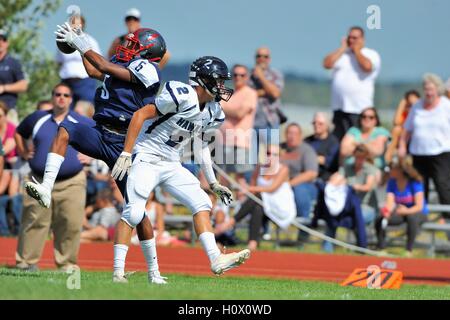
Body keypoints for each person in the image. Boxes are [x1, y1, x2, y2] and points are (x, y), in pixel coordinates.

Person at [24, 24, 168, 283]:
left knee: (136, 209)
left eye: (135, 45)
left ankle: (154, 272)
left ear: (148, 51)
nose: (128, 47)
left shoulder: (149, 69)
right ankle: (46, 186)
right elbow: (93, 69)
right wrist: (79, 48)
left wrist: (80, 41)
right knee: (65, 129)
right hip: (101, 131)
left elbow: (102, 66)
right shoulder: (122, 64)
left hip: (124, 143)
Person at [110, 56, 251, 280]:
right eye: (218, 80)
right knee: (135, 212)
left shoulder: (214, 111)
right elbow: (140, 114)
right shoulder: (181, 95)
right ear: (202, 79)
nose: (222, 86)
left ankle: (215, 258)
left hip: (171, 162)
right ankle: (118, 272)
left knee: (202, 201)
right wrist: (127, 152)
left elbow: (202, 145)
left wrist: (213, 182)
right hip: (147, 155)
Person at [14, 83, 90, 271]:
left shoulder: (80, 121)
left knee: (70, 223)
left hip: (72, 181)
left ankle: (67, 264)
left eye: (66, 94)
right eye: (58, 94)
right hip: (38, 180)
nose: (61, 98)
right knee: (33, 221)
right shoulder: (38, 118)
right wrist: (23, 151)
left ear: (71, 99)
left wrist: (91, 155)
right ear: (52, 97)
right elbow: (18, 132)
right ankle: (26, 262)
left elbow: (101, 137)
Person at [217, 145, 296, 251]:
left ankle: (229, 223)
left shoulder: (283, 169)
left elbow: (271, 189)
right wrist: (244, 192)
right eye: (268, 153)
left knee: (258, 199)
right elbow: (253, 187)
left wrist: (248, 189)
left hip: (279, 206)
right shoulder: (260, 167)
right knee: (257, 207)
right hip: (263, 204)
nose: (271, 156)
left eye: (275, 154)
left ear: (280, 157)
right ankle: (252, 243)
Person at [399, 73, 450, 208]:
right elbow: (407, 129)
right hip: (419, 153)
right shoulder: (417, 106)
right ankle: (420, 217)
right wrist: (402, 146)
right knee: (420, 187)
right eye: (426, 89)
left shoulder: (446, 106)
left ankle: (446, 219)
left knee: (443, 185)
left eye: (431, 89)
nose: (428, 93)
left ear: (437, 90)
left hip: (441, 153)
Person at [323, 26, 381, 141]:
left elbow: (367, 67)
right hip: (339, 108)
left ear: (362, 39)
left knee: (355, 140)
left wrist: (357, 51)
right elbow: (327, 64)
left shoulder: (370, 54)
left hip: (358, 109)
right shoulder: (342, 55)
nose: (351, 41)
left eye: (355, 38)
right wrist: (342, 48)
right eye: (350, 38)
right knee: (337, 140)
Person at [375, 157, 428, 256]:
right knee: (379, 219)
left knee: (412, 218)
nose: (390, 171)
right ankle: (381, 248)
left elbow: (419, 206)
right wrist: (386, 211)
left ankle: (409, 250)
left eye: (392, 168)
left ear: (400, 170)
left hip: (417, 213)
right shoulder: (392, 182)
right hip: (400, 213)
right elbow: (390, 202)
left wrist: (406, 211)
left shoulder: (415, 182)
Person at [218, 64, 257, 185]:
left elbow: (240, 113)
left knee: (240, 177)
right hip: (224, 140)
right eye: (235, 75)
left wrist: (223, 106)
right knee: (223, 176)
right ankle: (223, 203)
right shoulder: (231, 93)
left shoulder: (250, 93)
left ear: (247, 77)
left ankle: (243, 203)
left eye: (242, 75)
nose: (238, 77)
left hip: (240, 142)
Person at [56, 15, 101, 106]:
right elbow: (58, 62)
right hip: (66, 82)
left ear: (82, 25)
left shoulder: (91, 41)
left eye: (77, 22)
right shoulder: (63, 41)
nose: (74, 25)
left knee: (84, 109)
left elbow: (98, 61)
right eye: (72, 22)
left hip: (85, 82)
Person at [280, 123, 318, 219]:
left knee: (300, 190)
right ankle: (264, 231)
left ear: (300, 135)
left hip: (302, 186)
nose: (292, 136)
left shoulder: (307, 151)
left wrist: (289, 184)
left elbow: (311, 173)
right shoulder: (279, 148)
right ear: (285, 134)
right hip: (279, 183)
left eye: (295, 133)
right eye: (289, 133)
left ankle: (304, 222)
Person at [248, 47, 284, 149]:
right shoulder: (247, 75)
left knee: (271, 158)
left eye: (265, 56)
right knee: (251, 159)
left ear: (269, 59)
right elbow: (244, 94)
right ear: (255, 58)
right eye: (259, 56)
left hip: (270, 122)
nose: (262, 59)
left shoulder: (275, 74)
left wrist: (261, 76)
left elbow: (275, 93)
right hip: (251, 123)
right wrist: (265, 91)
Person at [340, 107, 389, 172]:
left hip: (373, 169)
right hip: (350, 169)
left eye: (371, 117)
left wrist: (356, 144)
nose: (367, 119)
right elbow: (344, 151)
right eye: (364, 116)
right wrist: (369, 145)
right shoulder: (353, 131)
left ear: (376, 120)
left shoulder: (381, 132)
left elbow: (377, 151)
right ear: (360, 119)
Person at [0, 101, 22, 233]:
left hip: (14, 169)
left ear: (5, 115)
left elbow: (4, 151)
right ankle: (3, 231)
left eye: (0, 115)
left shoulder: (12, 129)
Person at [384, 90, 421, 165]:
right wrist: (402, 104)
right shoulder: (405, 115)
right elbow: (396, 122)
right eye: (409, 105)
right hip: (405, 142)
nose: (412, 108)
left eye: (415, 104)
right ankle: (387, 159)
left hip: (417, 143)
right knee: (396, 130)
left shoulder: (422, 113)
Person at [0, 29, 28, 123]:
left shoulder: (14, 63)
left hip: (8, 110)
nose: (0, 42)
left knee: (10, 137)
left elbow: (23, 85)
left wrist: (4, 88)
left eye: (3, 40)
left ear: (7, 43)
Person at [305, 112, 339, 181]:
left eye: (320, 123)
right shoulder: (307, 141)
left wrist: (309, 158)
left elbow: (329, 161)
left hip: (324, 178)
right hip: (305, 174)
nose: (316, 125)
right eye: (314, 123)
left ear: (327, 125)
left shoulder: (333, 142)